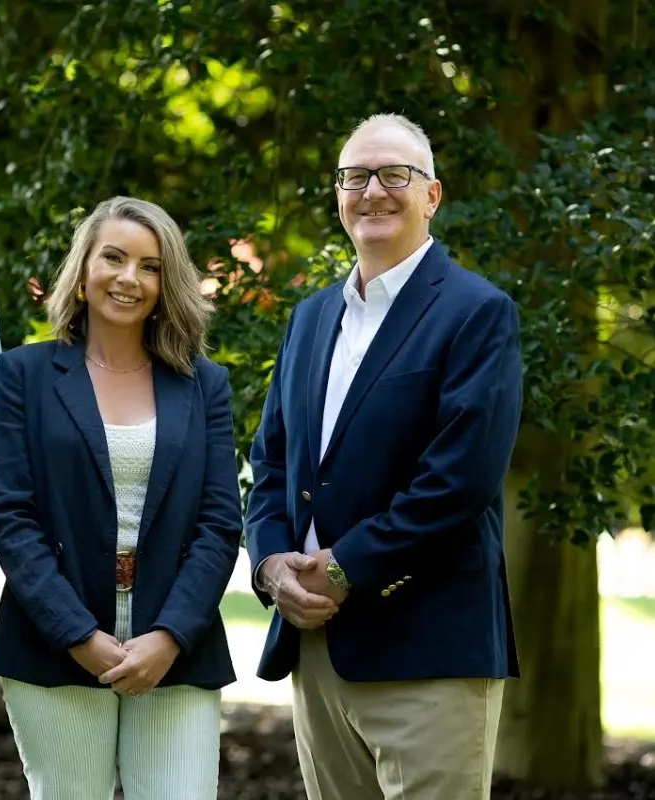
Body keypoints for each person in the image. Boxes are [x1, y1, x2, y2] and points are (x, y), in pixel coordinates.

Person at [245, 113, 523, 800]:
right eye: (353, 176)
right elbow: (271, 463)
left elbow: (458, 482)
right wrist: (271, 563)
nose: (372, 191)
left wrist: (345, 568)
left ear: (430, 195)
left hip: (426, 649)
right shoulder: (309, 318)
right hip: (316, 648)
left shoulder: (476, 313)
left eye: (393, 174)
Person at [0, 196, 243, 799]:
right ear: (83, 271)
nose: (130, 278)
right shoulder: (24, 375)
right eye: (114, 258)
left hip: (176, 641)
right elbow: (12, 517)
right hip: (54, 641)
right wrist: (78, 634)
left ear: (166, 281)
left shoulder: (204, 383)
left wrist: (170, 635)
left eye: (150, 266)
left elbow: (218, 521)